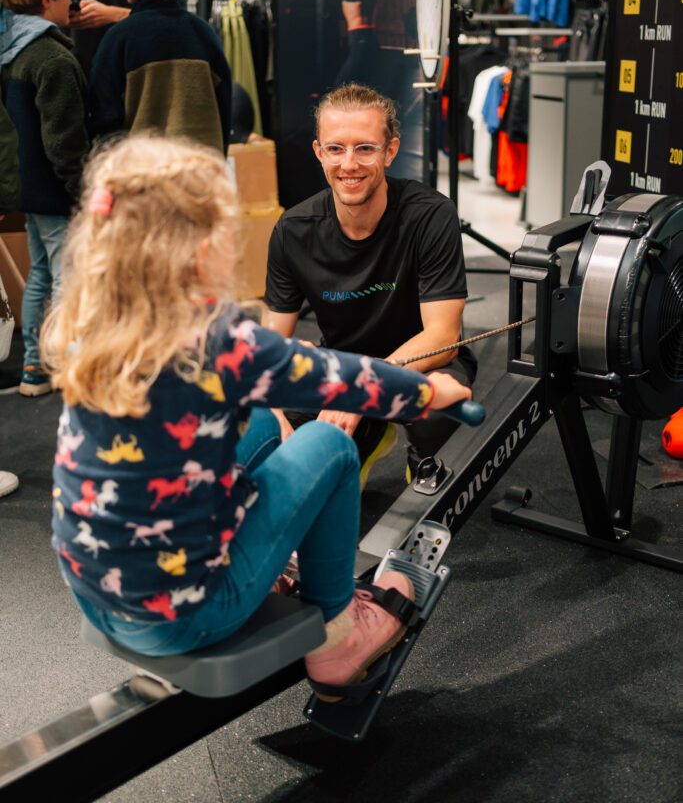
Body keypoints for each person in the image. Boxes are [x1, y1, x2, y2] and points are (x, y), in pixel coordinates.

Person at [42, 135, 472, 695]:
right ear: (199, 246)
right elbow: (352, 384)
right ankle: (340, 637)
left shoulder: (90, 320)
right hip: (188, 616)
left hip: (96, 591)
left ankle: (273, 565)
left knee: (268, 425)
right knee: (331, 445)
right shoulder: (216, 339)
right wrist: (429, 392)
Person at [265, 83, 476, 486]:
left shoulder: (430, 215)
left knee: (435, 406)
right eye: (335, 149)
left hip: (425, 359)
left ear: (390, 151)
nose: (349, 164)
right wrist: (273, 411)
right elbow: (272, 345)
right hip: (340, 366)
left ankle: (422, 455)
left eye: (365, 148)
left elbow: (443, 333)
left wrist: (363, 387)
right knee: (276, 427)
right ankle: (365, 438)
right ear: (318, 152)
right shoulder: (293, 230)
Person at [0, 0, 89, 397]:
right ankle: (74, 369)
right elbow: (65, 142)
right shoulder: (51, 57)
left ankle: (34, 365)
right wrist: (84, 192)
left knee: (40, 274)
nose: (72, 1)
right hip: (57, 190)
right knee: (69, 279)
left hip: (27, 189)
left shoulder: (8, 52)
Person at [88, 0, 231, 153]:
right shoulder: (203, 32)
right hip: (201, 176)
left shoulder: (120, 37)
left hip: (143, 176)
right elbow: (224, 112)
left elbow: (105, 121)